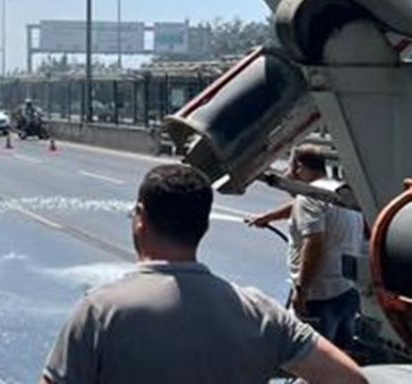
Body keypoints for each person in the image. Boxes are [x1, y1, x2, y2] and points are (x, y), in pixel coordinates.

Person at [42, 163, 365, 384]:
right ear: (205, 225)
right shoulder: (260, 312)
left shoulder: (100, 312)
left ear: (140, 217)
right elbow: (350, 379)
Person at [246, 145, 366, 351]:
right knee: (341, 357)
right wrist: (268, 217)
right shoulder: (336, 191)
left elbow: (314, 243)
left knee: (311, 360)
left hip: (319, 295)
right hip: (347, 291)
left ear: (299, 168)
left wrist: (302, 290)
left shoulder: (308, 197)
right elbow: (303, 209)